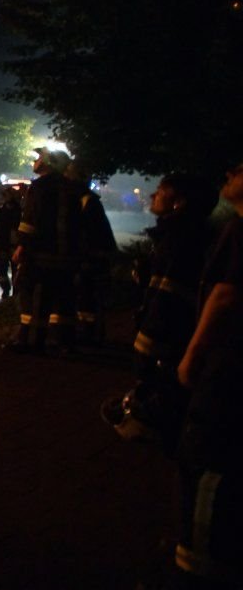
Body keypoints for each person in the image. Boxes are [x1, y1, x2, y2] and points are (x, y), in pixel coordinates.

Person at [169, 161, 243, 590]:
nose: (229, 175)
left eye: (238, 171)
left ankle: (199, 573)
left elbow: (227, 293)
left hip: (229, 366)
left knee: (207, 463)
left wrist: (192, 354)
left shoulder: (238, 229)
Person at [103, 172, 216, 448]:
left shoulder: (179, 239)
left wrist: (146, 346)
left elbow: (168, 297)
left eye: (161, 191)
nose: (153, 195)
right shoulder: (190, 235)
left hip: (168, 341)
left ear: (178, 202)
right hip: (177, 338)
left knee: (166, 398)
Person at [13, 146, 83, 353]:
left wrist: (22, 245)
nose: (35, 162)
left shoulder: (40, 186)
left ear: (49, 162)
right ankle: (64, 341)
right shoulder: (72, 188)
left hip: (42, 255)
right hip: (68, 256)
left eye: (39, 158)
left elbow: (31, 220)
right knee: (64, 301)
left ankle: (32, 342)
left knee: (35, 299)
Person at [67, 162, 119, 348]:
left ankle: (90, 336)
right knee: (85, 297)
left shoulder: (87, 202)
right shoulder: (86, 200)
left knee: (88, 297)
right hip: (92, 257)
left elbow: (89, 233)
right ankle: (89, 333)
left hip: (92, 259)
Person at [0, 185, 22, 299]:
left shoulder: (20, 213)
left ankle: (16, 294)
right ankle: (6, 289)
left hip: (15, 246)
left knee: (17, 271)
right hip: (1, 245)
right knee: (0, 268)